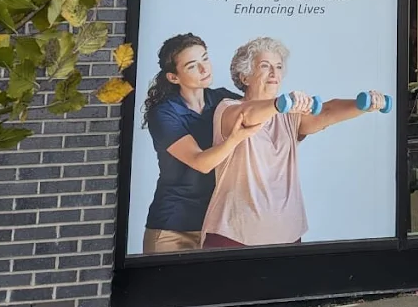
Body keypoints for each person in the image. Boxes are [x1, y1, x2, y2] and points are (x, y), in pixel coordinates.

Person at [201, 36, 387, 248]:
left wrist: (362, 105)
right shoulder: (228, 108)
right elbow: (248, 114)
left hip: (287, 235)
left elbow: (326, 111)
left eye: (279, 67)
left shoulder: (288, 115)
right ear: (245, 77)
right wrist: (280, 104)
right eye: (265, 66)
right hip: (233, 236)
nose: (274, 73)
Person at [138, 33, 242, 254]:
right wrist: (235, 138)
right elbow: (200, 162)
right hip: (172, 229)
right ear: (173, 77)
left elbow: (256, 112)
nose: (204, 69)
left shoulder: (222, 100)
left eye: (205, 58)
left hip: (214, 226)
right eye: (192, 66)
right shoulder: (165, 114)